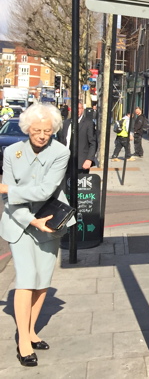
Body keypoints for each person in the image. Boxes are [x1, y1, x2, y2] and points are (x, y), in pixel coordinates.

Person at [0, 103, 75, 367]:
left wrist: (8, 188)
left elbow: (45, 191)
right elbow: (9, 201)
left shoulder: (60, 152)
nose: (42, 135)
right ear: (27, 128)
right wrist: (30, 219)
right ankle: (22, 341)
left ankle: (31, 331)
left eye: (47, 130)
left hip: (50, 220)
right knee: (26, 279)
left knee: (42, 280)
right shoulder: (11, 152)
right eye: (36, 130)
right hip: (19, 222)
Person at [58, 101, 97, 173]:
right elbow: (62, 141)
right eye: (75, 108)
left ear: (82, 109)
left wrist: (89, 159)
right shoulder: (66, 123)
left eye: (79, 108)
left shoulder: (88, 123)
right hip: (66, 162)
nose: (77, 110)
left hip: (81, 163)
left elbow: (93, 143)